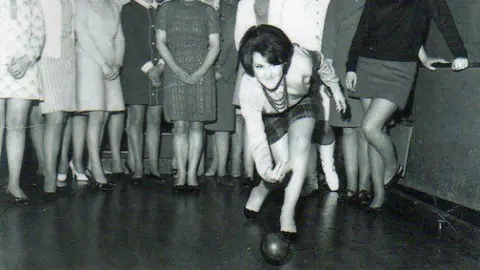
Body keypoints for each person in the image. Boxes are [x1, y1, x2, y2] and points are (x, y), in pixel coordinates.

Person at [345, 0, 469, 211]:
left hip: (400, 69)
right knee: (374, 132)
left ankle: (392, 165)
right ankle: (379, 195)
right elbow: (363, 28)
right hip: (368, 63)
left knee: (370, 127)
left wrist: (459, 53)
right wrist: (351, 66)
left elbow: (444, 21)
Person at [239, 25, 346, 238]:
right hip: (272, 114)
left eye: (273, 64)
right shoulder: (249, 90)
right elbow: (257, 138)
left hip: (302, 101)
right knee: (283, 169)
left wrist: (335, 88)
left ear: (285, 59)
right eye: (259, 67)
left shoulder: (301, 61)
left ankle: (287, 215)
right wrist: (265, 170)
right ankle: (261, 190)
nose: (268, 74)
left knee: (301, 147)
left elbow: (321, 62)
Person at [156, 0, 220, 194]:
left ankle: (192, 174)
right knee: (180, 125)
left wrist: (200, 72)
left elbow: (215, 46)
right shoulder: (166, 8)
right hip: (175, 72)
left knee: (196, 125)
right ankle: (181, 174)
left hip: (203, 72)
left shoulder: (208, 11)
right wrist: (176, 69)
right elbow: (160, 42)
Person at [72, 0, 126, 191]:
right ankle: (96, 167)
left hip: (110, 65)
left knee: (104, 115)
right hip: (88, 61)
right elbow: (83, 35)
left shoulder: (113, 6)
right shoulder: (82, 4)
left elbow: (119, 37)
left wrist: (117, 64)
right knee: (96, 114)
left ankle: (89, 164)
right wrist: (103, 64)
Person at [0, 0, 45, 203]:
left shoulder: (33, 2)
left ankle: (14, 183)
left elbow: (38, 34)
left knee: (17, 125)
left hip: (24, 69)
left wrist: (26, 60)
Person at [31, 0, 77, 200]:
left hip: (68, 57)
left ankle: (45, 165)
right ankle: (49, 173)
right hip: (44, 55)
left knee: (59, 116)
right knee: (53, 115)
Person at [120, 0, 167, 185]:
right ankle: (137, 168)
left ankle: (154, 168)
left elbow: (166, 41)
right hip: (136, 72)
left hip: (159, 72)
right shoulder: (129, 9)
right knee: (136, 119)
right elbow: (130, 42)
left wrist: (161, 67)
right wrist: (149, 69)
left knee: (155, 119)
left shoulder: (162, 10)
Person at [204, 0, 239, 186]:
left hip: (224, 75)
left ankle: (221, 170)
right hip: (203, 73)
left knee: (222, 125)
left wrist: (223, 72)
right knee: (208, 124)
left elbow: (235, 45)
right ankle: (215, 164)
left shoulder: (232, 10)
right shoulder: (200, 6)